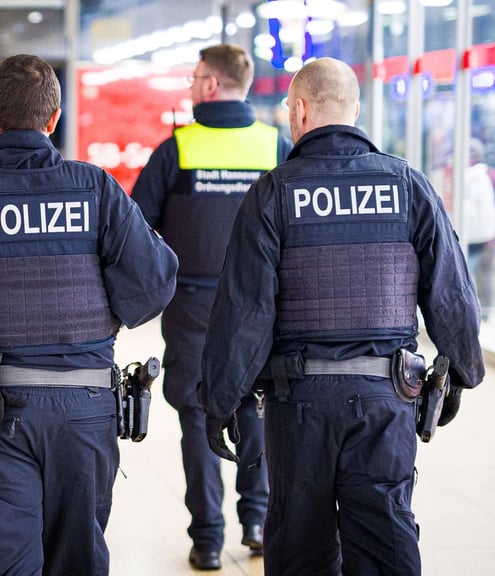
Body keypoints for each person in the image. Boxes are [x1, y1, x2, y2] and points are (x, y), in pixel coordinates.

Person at [0, 54, 178, 576]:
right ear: (54, 119)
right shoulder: (97, 189)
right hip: (86, 411)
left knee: (0, 560)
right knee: (78, 560)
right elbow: (151, 289)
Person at [200, 57, 484, 576]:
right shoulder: (406, 185)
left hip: (299, 404)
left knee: (300, 543)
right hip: (387, 399)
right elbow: (450, 291)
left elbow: (245, 312)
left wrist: (220, 400)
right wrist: (463, 371)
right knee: (385, 535)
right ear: (354, 110)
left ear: (301, 110)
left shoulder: (274, 194)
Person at [130, 43, 292, 571]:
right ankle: (258, 520)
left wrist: (162, 284)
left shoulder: (176, 150)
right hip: (263, 308)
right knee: (257, 407)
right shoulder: (276, 147)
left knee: (198, 418)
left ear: (212, 85)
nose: (190, 86)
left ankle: (206, 538)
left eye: (195, 77)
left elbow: (135, 231)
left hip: (195, 305)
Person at [462, 137, 495, 315]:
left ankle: (468, 312)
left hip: (462, 233)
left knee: (464, 275)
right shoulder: (489, 174)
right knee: (485, 275)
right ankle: (484, 314)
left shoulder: (456, 173)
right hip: (488, 234)